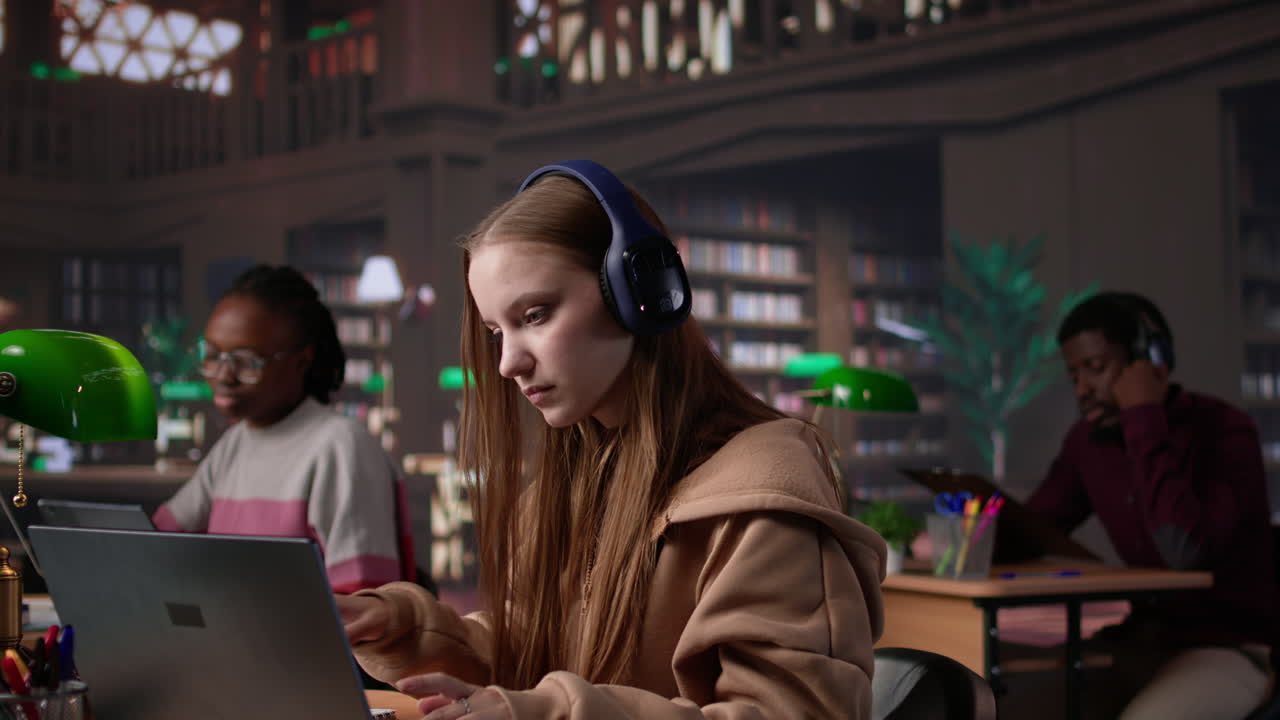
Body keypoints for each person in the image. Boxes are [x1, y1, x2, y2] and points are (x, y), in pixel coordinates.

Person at [336, 160, 886, 719]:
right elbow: (528, 649)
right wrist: (403, 628)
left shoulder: (766, 494)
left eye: (535, 315)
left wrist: (549, 713)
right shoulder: (571, 486)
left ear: (641, 291)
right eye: (497, 332)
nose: (507, 363)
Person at [1023, 290, 1278, 719]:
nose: (1082, 389)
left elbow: (1183, 551)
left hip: (1233, 646)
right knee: (1019, 702)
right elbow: (1034, 528)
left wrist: (1142, 414)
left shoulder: (1224, 430)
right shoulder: (1088, 443)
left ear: (1150, 359)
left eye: (1096, 368)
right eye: (1073, 375)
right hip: (1147, 641)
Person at [153, 264, 416, 594]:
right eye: (213, 355)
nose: (223, 375)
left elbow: (366, 602)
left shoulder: (341, 446)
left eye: (247, 361)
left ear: (301, 361)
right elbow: (158, 540)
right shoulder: (237, 442)